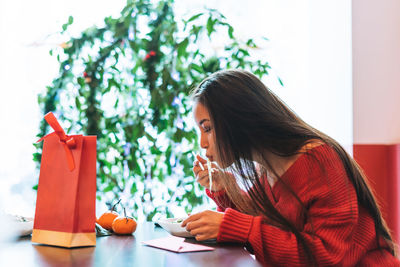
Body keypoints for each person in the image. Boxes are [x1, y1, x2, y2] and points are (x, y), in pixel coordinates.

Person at [181, 69, 400, 266]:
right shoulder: (266, 168)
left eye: (207, 129)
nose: (202, 143)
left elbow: (326, 257)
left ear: (239, 120)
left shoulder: (318, 162)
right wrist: (224, 189)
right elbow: (264, 227)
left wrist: (236, 226)